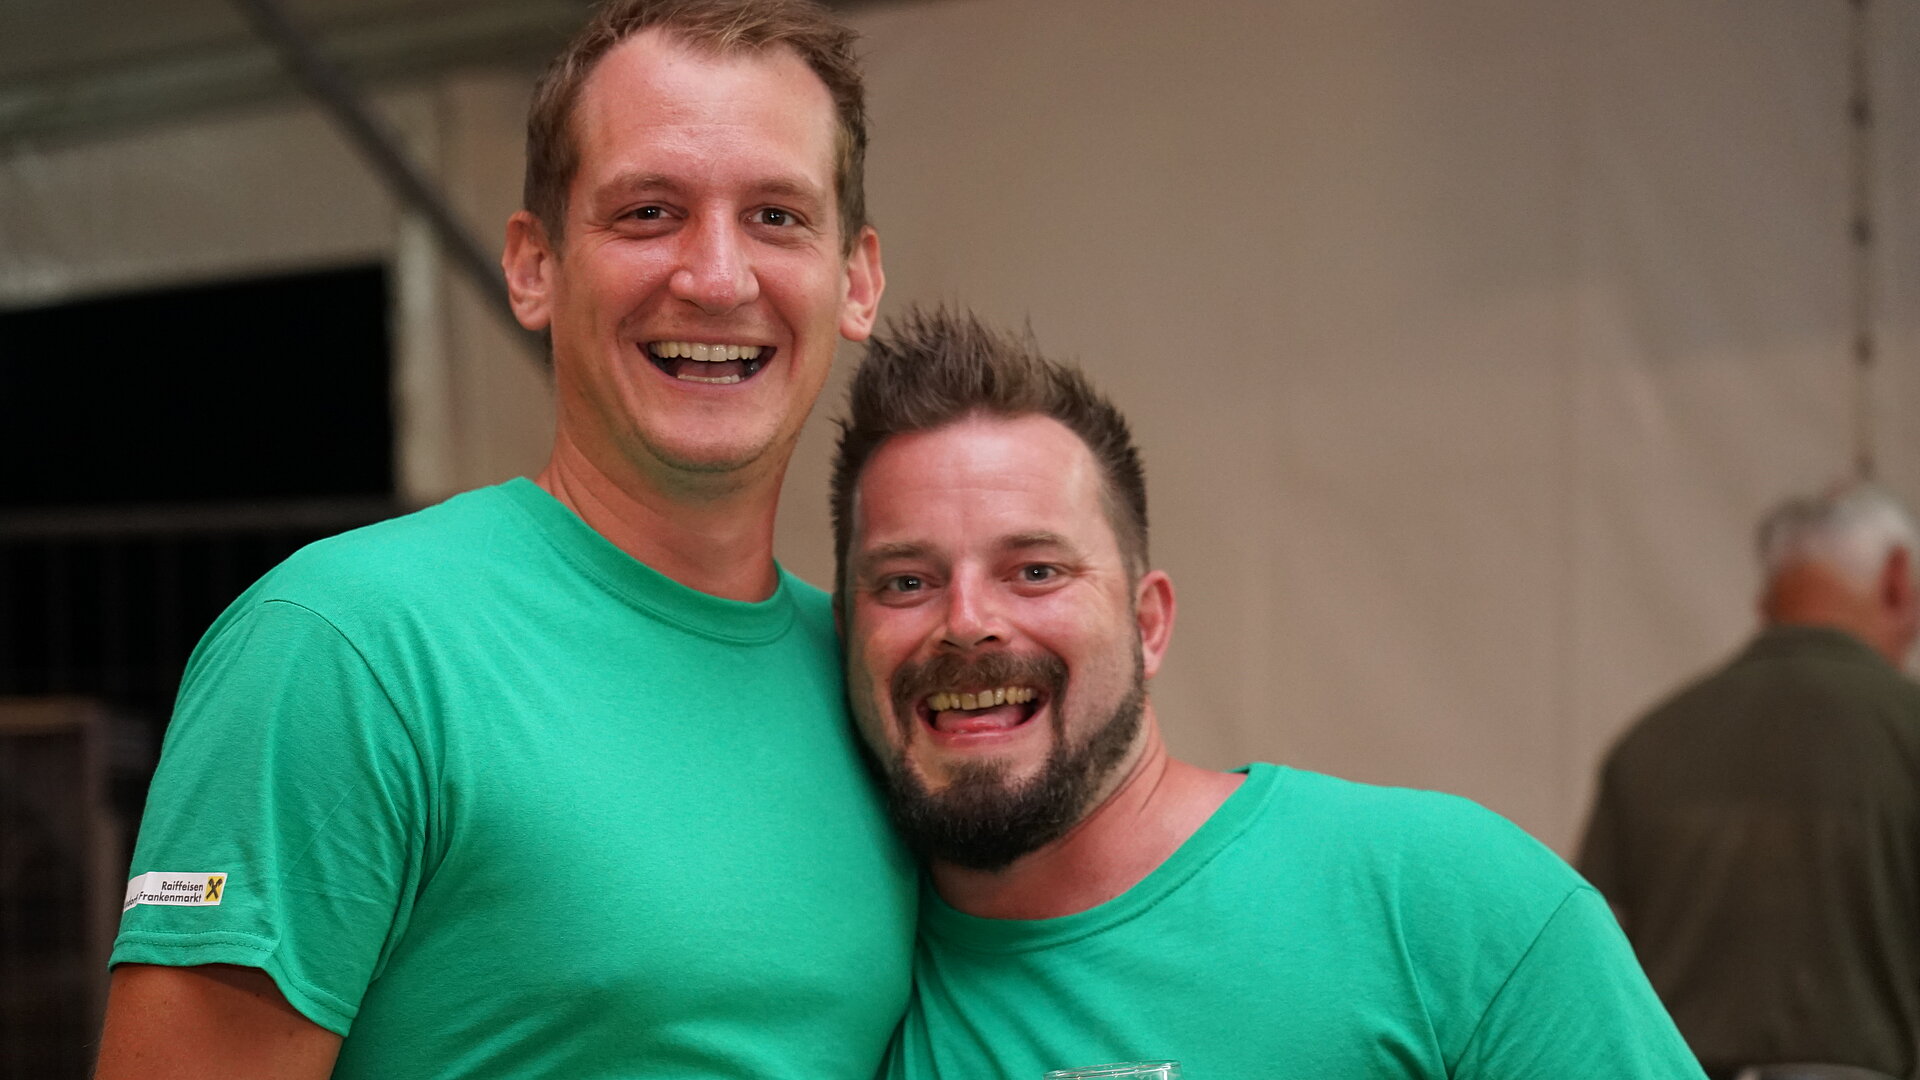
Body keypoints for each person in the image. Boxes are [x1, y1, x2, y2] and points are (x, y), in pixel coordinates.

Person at [95, 2, 911, 1077]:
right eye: (649, 212)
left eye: (776, 216)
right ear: (532, 266)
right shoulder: (344, 649)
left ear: (856, 280)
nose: (717, 277)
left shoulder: (876, 684)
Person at [828, 306, 1706, 1079]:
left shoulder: (1443, 903)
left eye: (1035, 570)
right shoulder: (829, 986)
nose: (967, 622)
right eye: (906, 582)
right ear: (842, 634)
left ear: (1148, 624)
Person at [1580, 485, 1920, 1080]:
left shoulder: (1649, 743)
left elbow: (1589, 956)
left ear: (1767, 598)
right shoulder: (1908, 729)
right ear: (1897, 580)